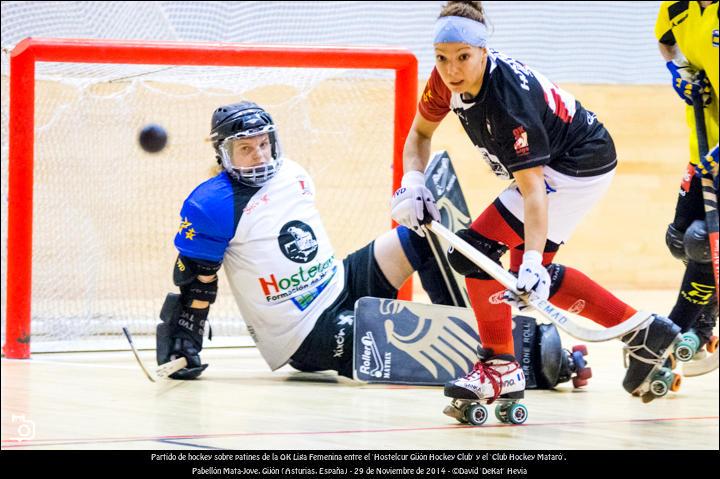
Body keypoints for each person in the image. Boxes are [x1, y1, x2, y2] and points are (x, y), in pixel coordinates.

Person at [391, 0, 683, 405]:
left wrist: (529, 258)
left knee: (478, 254)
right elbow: (419, 135)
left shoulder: (508, 102)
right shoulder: (443, 81)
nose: (452, 69)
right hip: (567, 160)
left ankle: (500, 366)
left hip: (578, 163)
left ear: (483, 53)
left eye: (463, 57)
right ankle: (642, 330)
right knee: (522, 277)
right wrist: (413, 181)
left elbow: (533, 190)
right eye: (441, 58)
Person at [155, 101, 454, 380]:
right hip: (305, 332)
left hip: (341, 281)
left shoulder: (292, 172)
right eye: (245, 148)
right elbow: (198, 279)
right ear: (223, 153)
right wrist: (186, 335)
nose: (259, 154)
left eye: (263, 143)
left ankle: (462, 318)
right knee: (399, 347)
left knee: (423, 233)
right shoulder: (212, 204)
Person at [655, 0, 719, 361]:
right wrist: (677, 69)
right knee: (680, 239)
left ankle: (692, 326)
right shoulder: (676, 6)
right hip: (703, 147)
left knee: (702, 243)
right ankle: (707, 308)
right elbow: (666, 41)